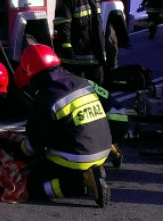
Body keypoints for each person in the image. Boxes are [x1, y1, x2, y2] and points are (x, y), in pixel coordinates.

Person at [10, 44, 113, 207]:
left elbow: (34, 145)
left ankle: (80, 183)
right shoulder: (80, 81)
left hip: (77, 157)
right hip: (103, 150)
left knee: (32, 185)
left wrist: (16, 149)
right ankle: (91, 172)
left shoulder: (47, 96)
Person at [53, 0, 108, 85]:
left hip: (94, 58)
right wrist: (67, 46)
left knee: (99, 92)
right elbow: (62, 23)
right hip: (77, 61)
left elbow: (97, 24)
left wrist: (103, 51)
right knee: (80, 93)